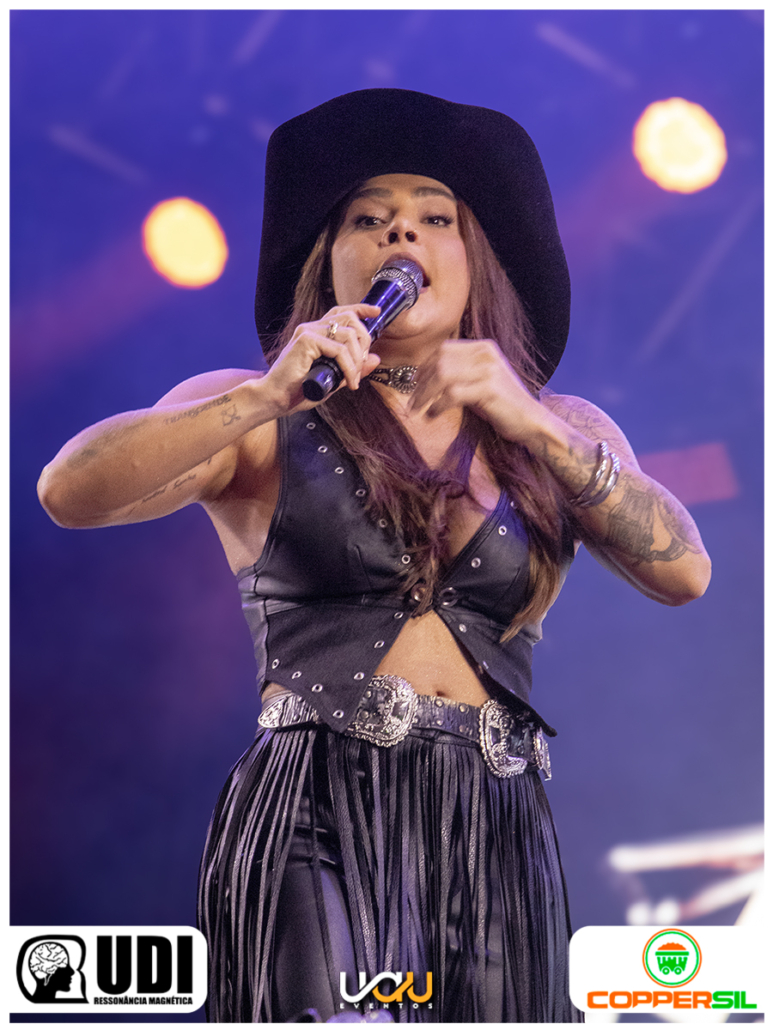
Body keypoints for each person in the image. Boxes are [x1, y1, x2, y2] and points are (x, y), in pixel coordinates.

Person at [38, 89, 711, 1023]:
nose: (401, 233)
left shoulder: (558, 430)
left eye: (435, 218)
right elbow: (69, 490)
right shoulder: (263, 410)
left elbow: (683, 573)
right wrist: (264, 395)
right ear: (331, 261)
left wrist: (533, 425)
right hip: (314, 808)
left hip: (494, 818)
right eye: (369, 219)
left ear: (475, 260)